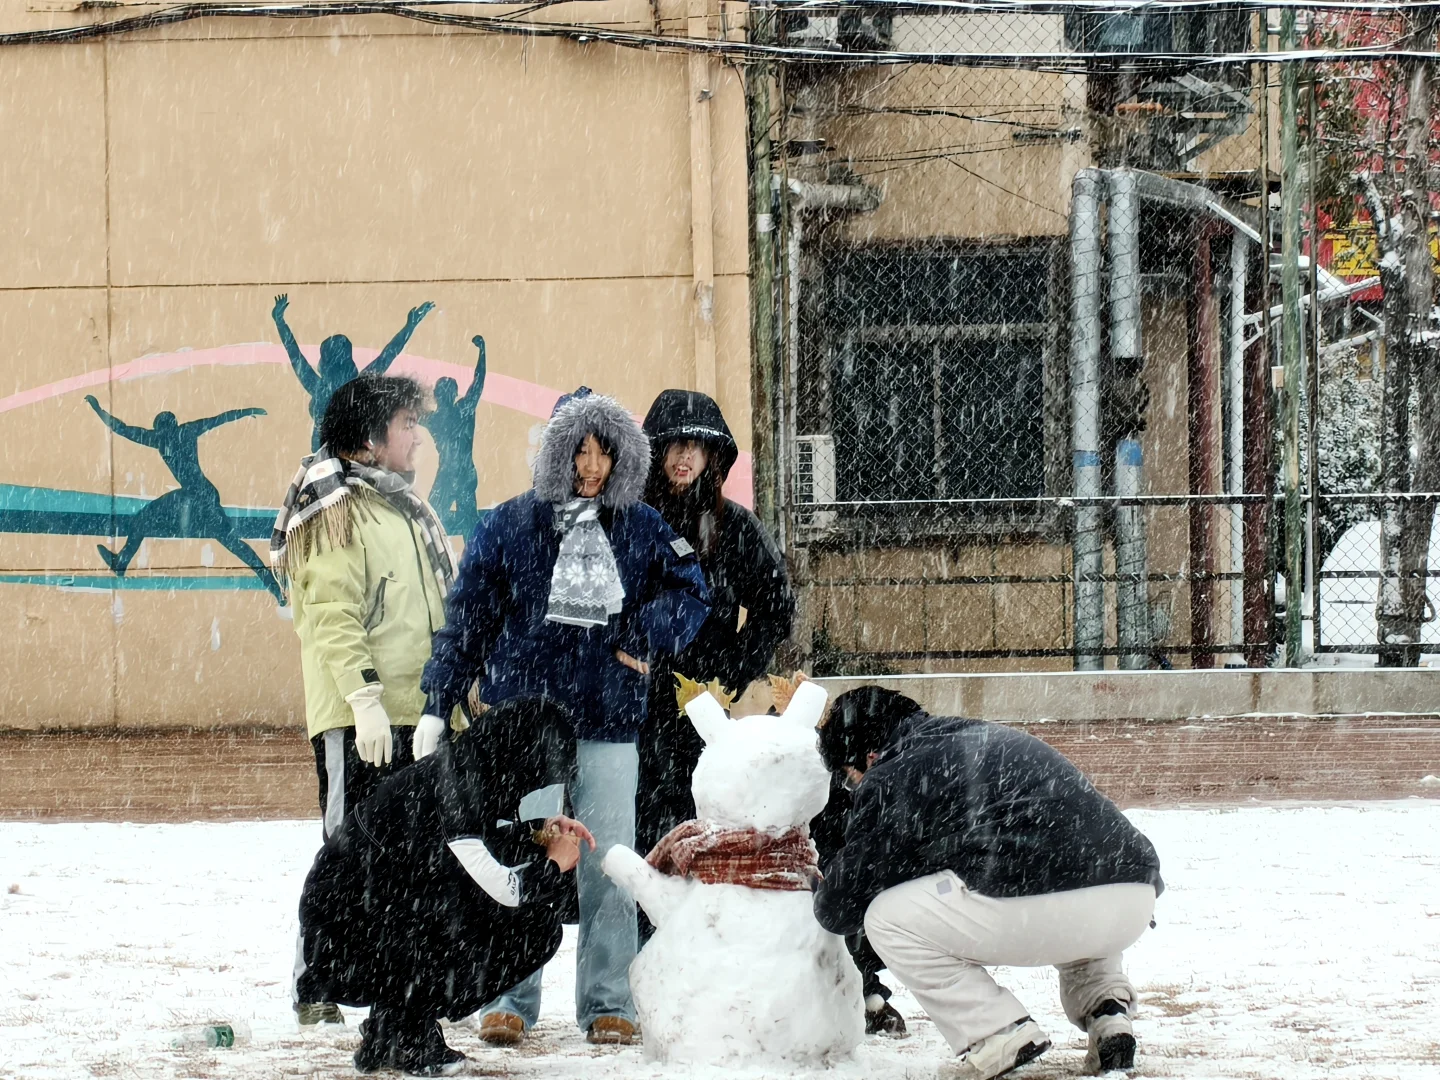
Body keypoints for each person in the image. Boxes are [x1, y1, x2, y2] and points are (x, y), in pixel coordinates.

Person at [418, 387, 710, 1047]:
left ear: (622, 455)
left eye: (603, 450)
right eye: (578, 450)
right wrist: (440, 699)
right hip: (524, 728)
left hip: (610, 718)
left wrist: (642, 636)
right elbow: (466, 620)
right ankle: (508, 998)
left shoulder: (641, 526)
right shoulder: (509, 524)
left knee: (607, 861)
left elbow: (693, 591)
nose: (591, 465)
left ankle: (609, 1002)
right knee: (521, 858)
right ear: (555, 453)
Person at [813, 687, 1164, 1080]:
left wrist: (815, 878)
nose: (854, 789)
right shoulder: (988, 737)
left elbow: (839, 908)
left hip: (1048, 901)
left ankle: (996, 1035)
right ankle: (1108, 1012)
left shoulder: (894, 772)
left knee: (886, 918)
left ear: (869, 757)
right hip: (1133, 895)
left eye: (849, 780)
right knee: (1072, 874)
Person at [271, 375, 456, 1026]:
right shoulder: (332, 505)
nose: (417, 435)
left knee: (409, 859)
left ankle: (393, 987)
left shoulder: (403, 507)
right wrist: (364, 698)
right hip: (362, 717)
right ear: (371, 442)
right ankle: (318, 979)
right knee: (350, 847)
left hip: (414, 711)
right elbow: (330, 611)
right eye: (407, 423)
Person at [295, 697, 593, 1077]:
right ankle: (409, 1033)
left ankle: (394, 1028)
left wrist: (540, 833)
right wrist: (553, 864)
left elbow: (468, 845)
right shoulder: (459, 781)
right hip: (345, 933)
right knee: (506, 923)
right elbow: (503, 887)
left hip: (370, 917)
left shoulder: (472, 764)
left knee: (516, 922)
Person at [634, 389, 794, 886]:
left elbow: (776, 607)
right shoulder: (630, 520)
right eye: (675, 444)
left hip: (706, 700)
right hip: (635, 694)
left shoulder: (735, 527)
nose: (685, 456)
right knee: (640, 820)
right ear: (655, 451)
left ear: (714, 456)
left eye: (697, 446)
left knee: (702, 813)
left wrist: (732, 670)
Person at [83, 396, 282, 600]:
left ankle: (122, 562)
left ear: (160, 428)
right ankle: (273, 585)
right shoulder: (184, 431)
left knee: (142, 520)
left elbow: (122, 428)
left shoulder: (159, 439)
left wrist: (98, 409)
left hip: (193, 496)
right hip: (204, 494)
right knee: (234, 544)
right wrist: (246, 411)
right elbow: (219, 419)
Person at [272, 293, 435, 451]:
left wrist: (280, 322)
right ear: (348, 360)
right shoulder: (358, 384)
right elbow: (389, 354)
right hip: (349, 459)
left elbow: (294, 354)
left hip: (329, 459)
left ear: (325, 362)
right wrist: (410, 326)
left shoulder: (319, 386)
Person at [424, 334, 487, 537]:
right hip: (455, 474)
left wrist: (482, 353)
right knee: (433, 520)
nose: (444, 396)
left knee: (433, 521)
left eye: (445, 393)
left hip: (458, 475)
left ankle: (471, 562)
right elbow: (478, 383)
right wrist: (482, 351)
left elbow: (478, 382)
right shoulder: (454, 413)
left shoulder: (459, 412)